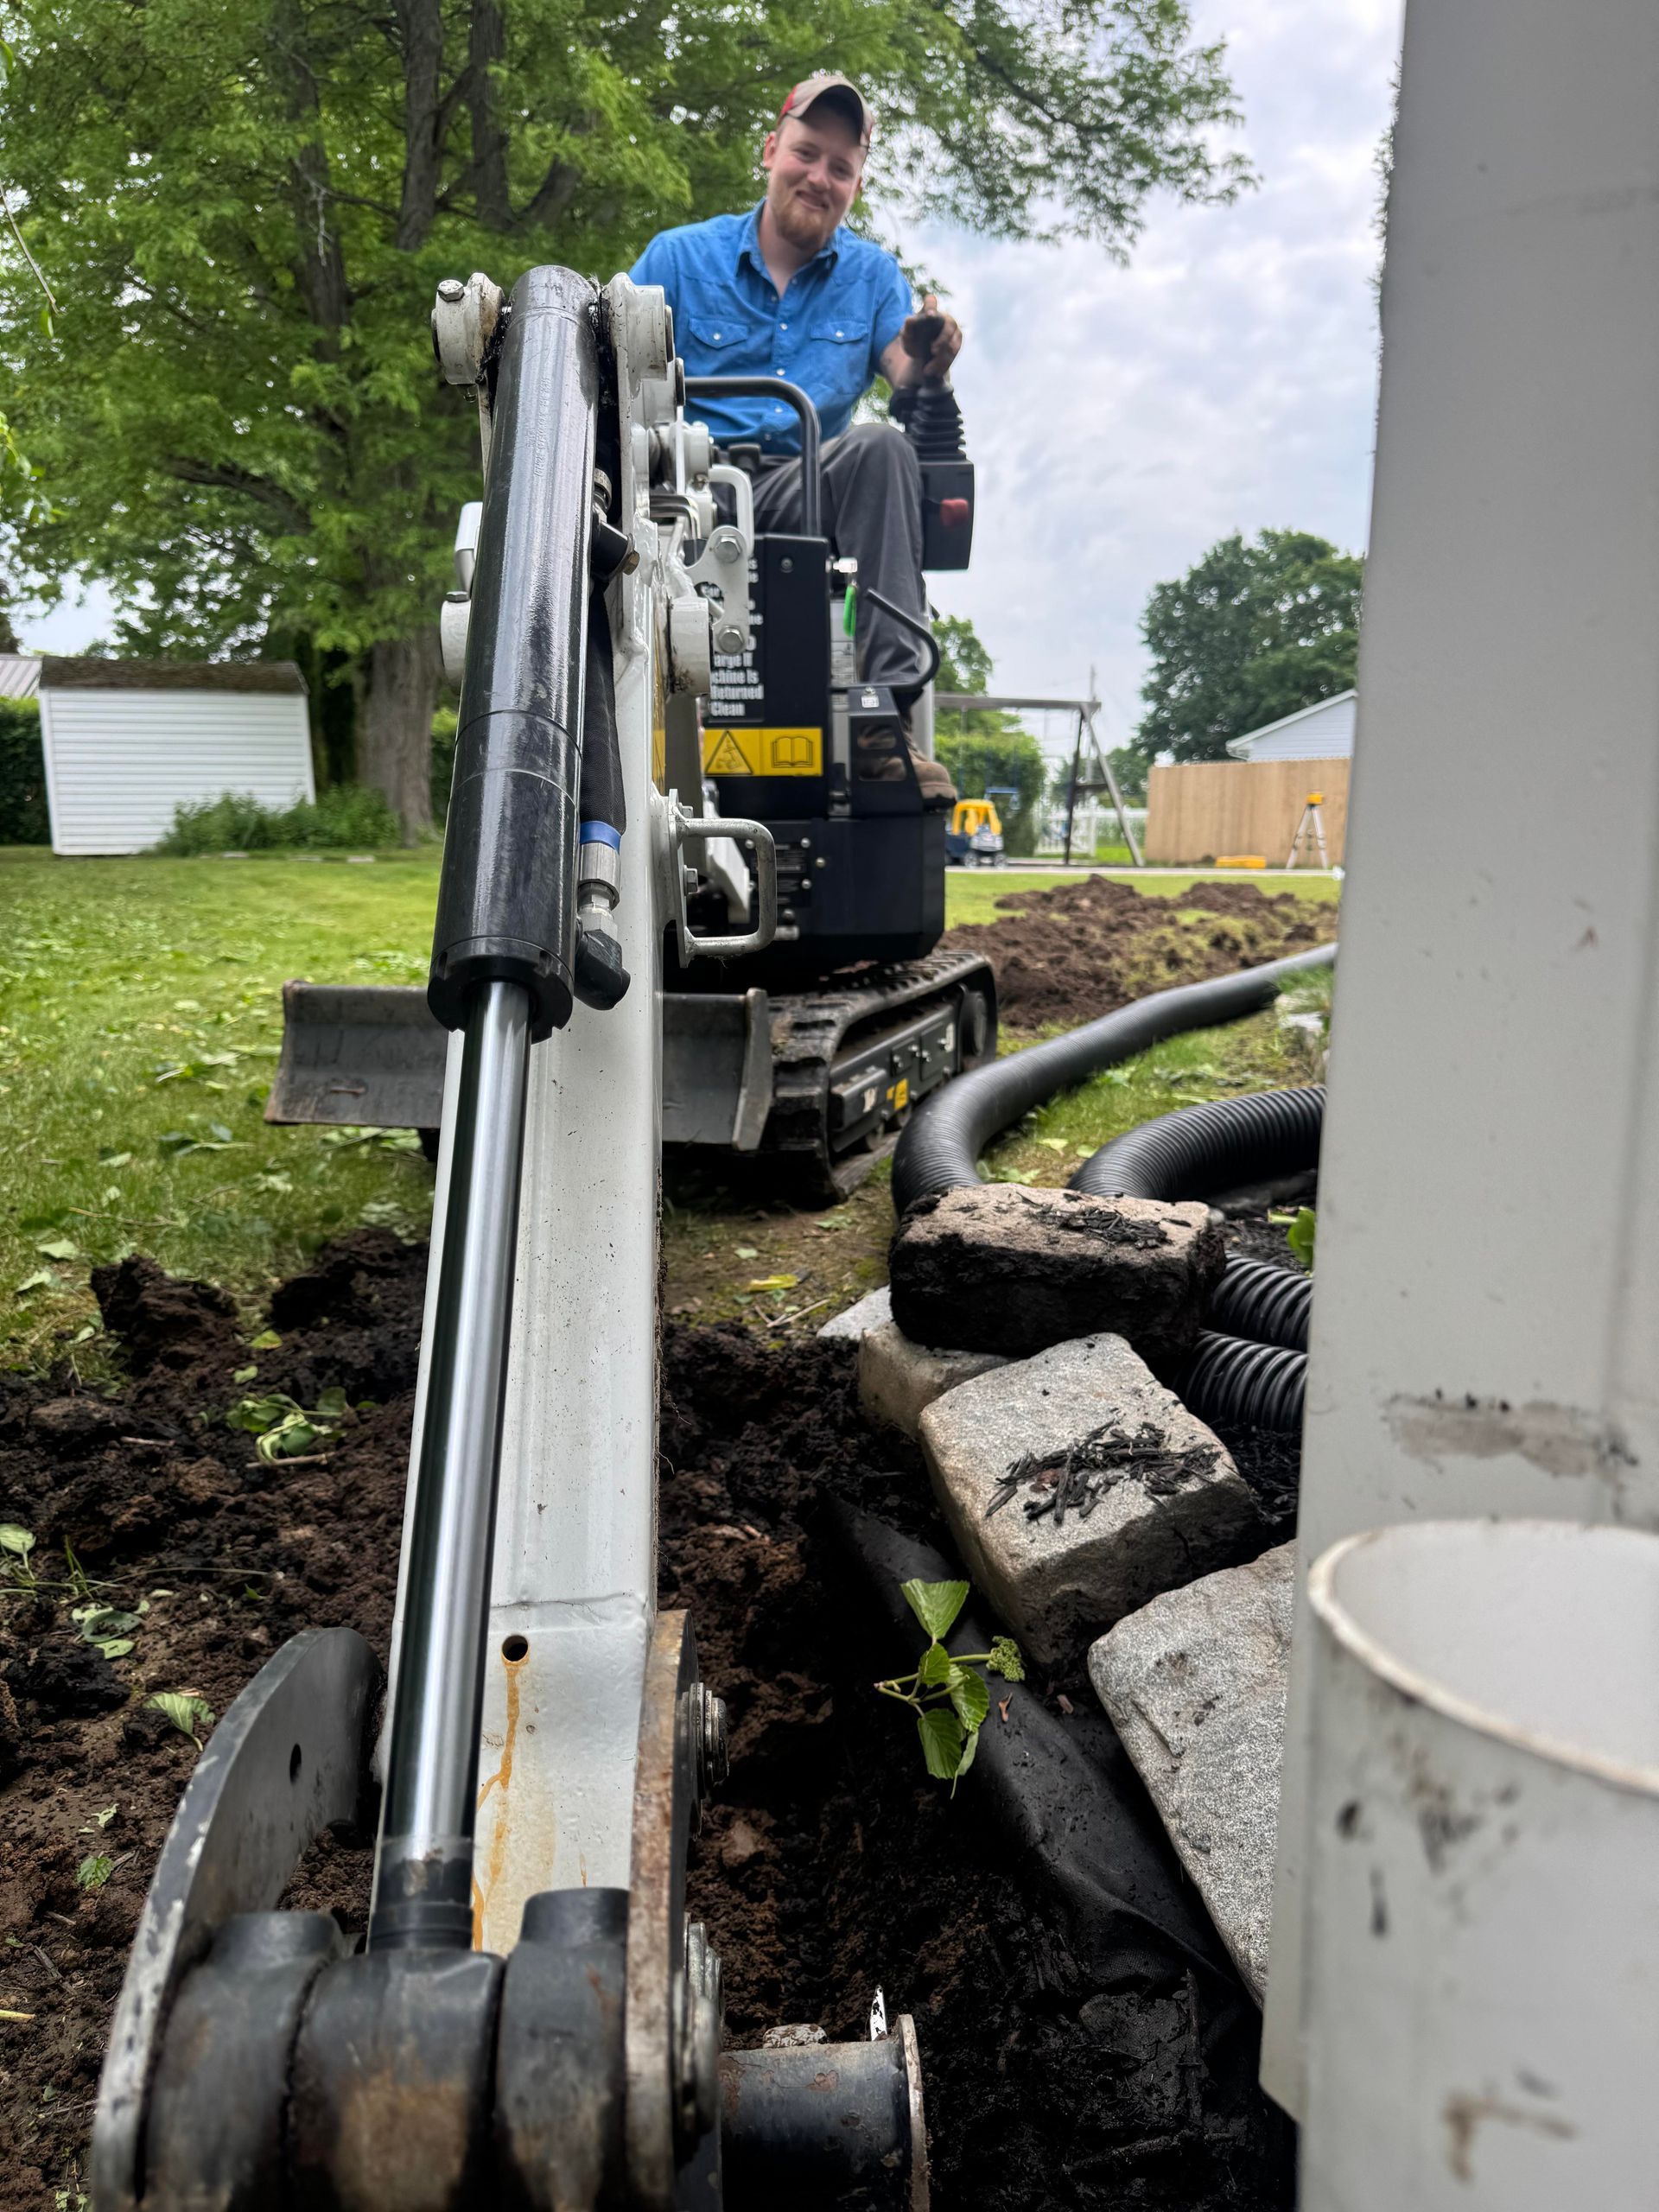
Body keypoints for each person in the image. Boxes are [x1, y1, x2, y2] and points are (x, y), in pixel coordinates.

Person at [630, 73, 959, 806]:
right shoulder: (678, 259)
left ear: (856, 185)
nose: (820, 178)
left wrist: (927, 351)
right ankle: (604, 732)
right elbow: (610, 375)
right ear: (772, 151)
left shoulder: (874, 276)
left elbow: (903, 368)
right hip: (681, 496)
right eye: (808, 154)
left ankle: (882, 721)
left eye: (841, 168)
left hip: (799, 492)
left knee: (882, 448)